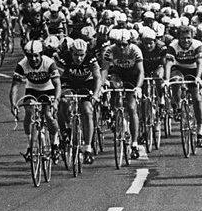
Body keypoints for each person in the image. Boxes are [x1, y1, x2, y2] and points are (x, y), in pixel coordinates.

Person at [9, 40, 61, 160]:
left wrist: (56, 101)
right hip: (32, 90)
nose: (33, 59)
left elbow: (57, 84)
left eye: (36, 56)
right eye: (30, 56)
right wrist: (13, 104)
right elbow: (15, 86)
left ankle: (55, 144)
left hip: (49, 89)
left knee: (48, 115)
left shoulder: (49, 63)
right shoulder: (22, 65)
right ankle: (30, 146)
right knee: (29, 112)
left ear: (41, 54)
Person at [57, 39, 102, 164]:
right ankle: (65, 128)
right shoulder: (64, 58)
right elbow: (57, 79)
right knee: (64, 102)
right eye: (76, 55)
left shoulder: (91, 58)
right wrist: (58, 95)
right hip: (68, 82)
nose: (79, 58)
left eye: (82, 55)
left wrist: (96, 94)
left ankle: (88, 148)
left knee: (87, 111)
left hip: (86, 84)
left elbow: (98, 78)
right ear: (71, 52)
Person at [103, 29, 144, 158]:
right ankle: (115, 113)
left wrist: (138, 87)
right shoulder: (109, 50)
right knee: (114, 87)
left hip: (132, 77)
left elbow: (141, 71)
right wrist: (104, 81)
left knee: (132, 108)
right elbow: (104, 69)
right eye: (118, 44)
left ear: (129, 43)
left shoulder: (135, 50)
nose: (121, 47)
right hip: (118, 75)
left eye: (124, 44)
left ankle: (135, 143)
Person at [165, 26, 202, 147]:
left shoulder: (197, 44)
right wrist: (166, 80)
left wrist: (198, 77)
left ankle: (200, 130)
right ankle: (177, 106)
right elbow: (168, 64)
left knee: (197, 99)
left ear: (192, 37)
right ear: (178, 38)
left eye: (188, 38)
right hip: (179, 68)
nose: (186, 41)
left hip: (193, 70)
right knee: (175, 81)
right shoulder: (173, 46)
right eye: (183, 38)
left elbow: (199, 63)